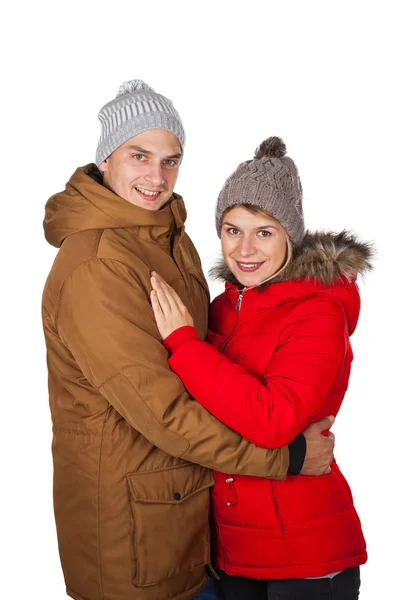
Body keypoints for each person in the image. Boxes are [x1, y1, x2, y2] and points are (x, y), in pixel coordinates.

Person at [42, 81, 334, 600]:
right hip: (132, 539)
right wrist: (284, 460)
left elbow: (215, 376)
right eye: (139, 156)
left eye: (171, 160)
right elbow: (164, 411)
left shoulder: (164, 238)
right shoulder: (98, 267)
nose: (157, 177)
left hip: (188, 521)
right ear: (106, 157)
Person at [150, 136, 371, 600]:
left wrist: (184, 345)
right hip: (235, 549)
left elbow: (273, 420)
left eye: (264, 232)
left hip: (306, 556)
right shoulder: (223, 308)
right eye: (232, 230)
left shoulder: (317, 311)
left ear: (290, 234)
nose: (245, 248)